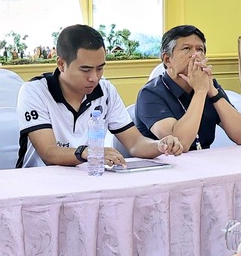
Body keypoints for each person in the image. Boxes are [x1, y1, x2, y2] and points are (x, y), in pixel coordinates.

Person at [16, 24, 177, 168]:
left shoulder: (105, 90)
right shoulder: (34, 91)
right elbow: (49, 153)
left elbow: (135, 143)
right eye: (85, 70)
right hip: (39, 184)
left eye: (100, 68)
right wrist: (87, 153)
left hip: (88, 180)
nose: (94, 77)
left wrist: (159, 145)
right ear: (61, 64)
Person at [133, 24, 241, 153]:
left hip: (205, 165)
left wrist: (212, 92)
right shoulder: (150, 93)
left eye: (200, 49)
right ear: (167, 59)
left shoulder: (208, 85)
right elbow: (179, 144)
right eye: (186, 49)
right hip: (166, 166)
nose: (195, 55)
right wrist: (200, 92)